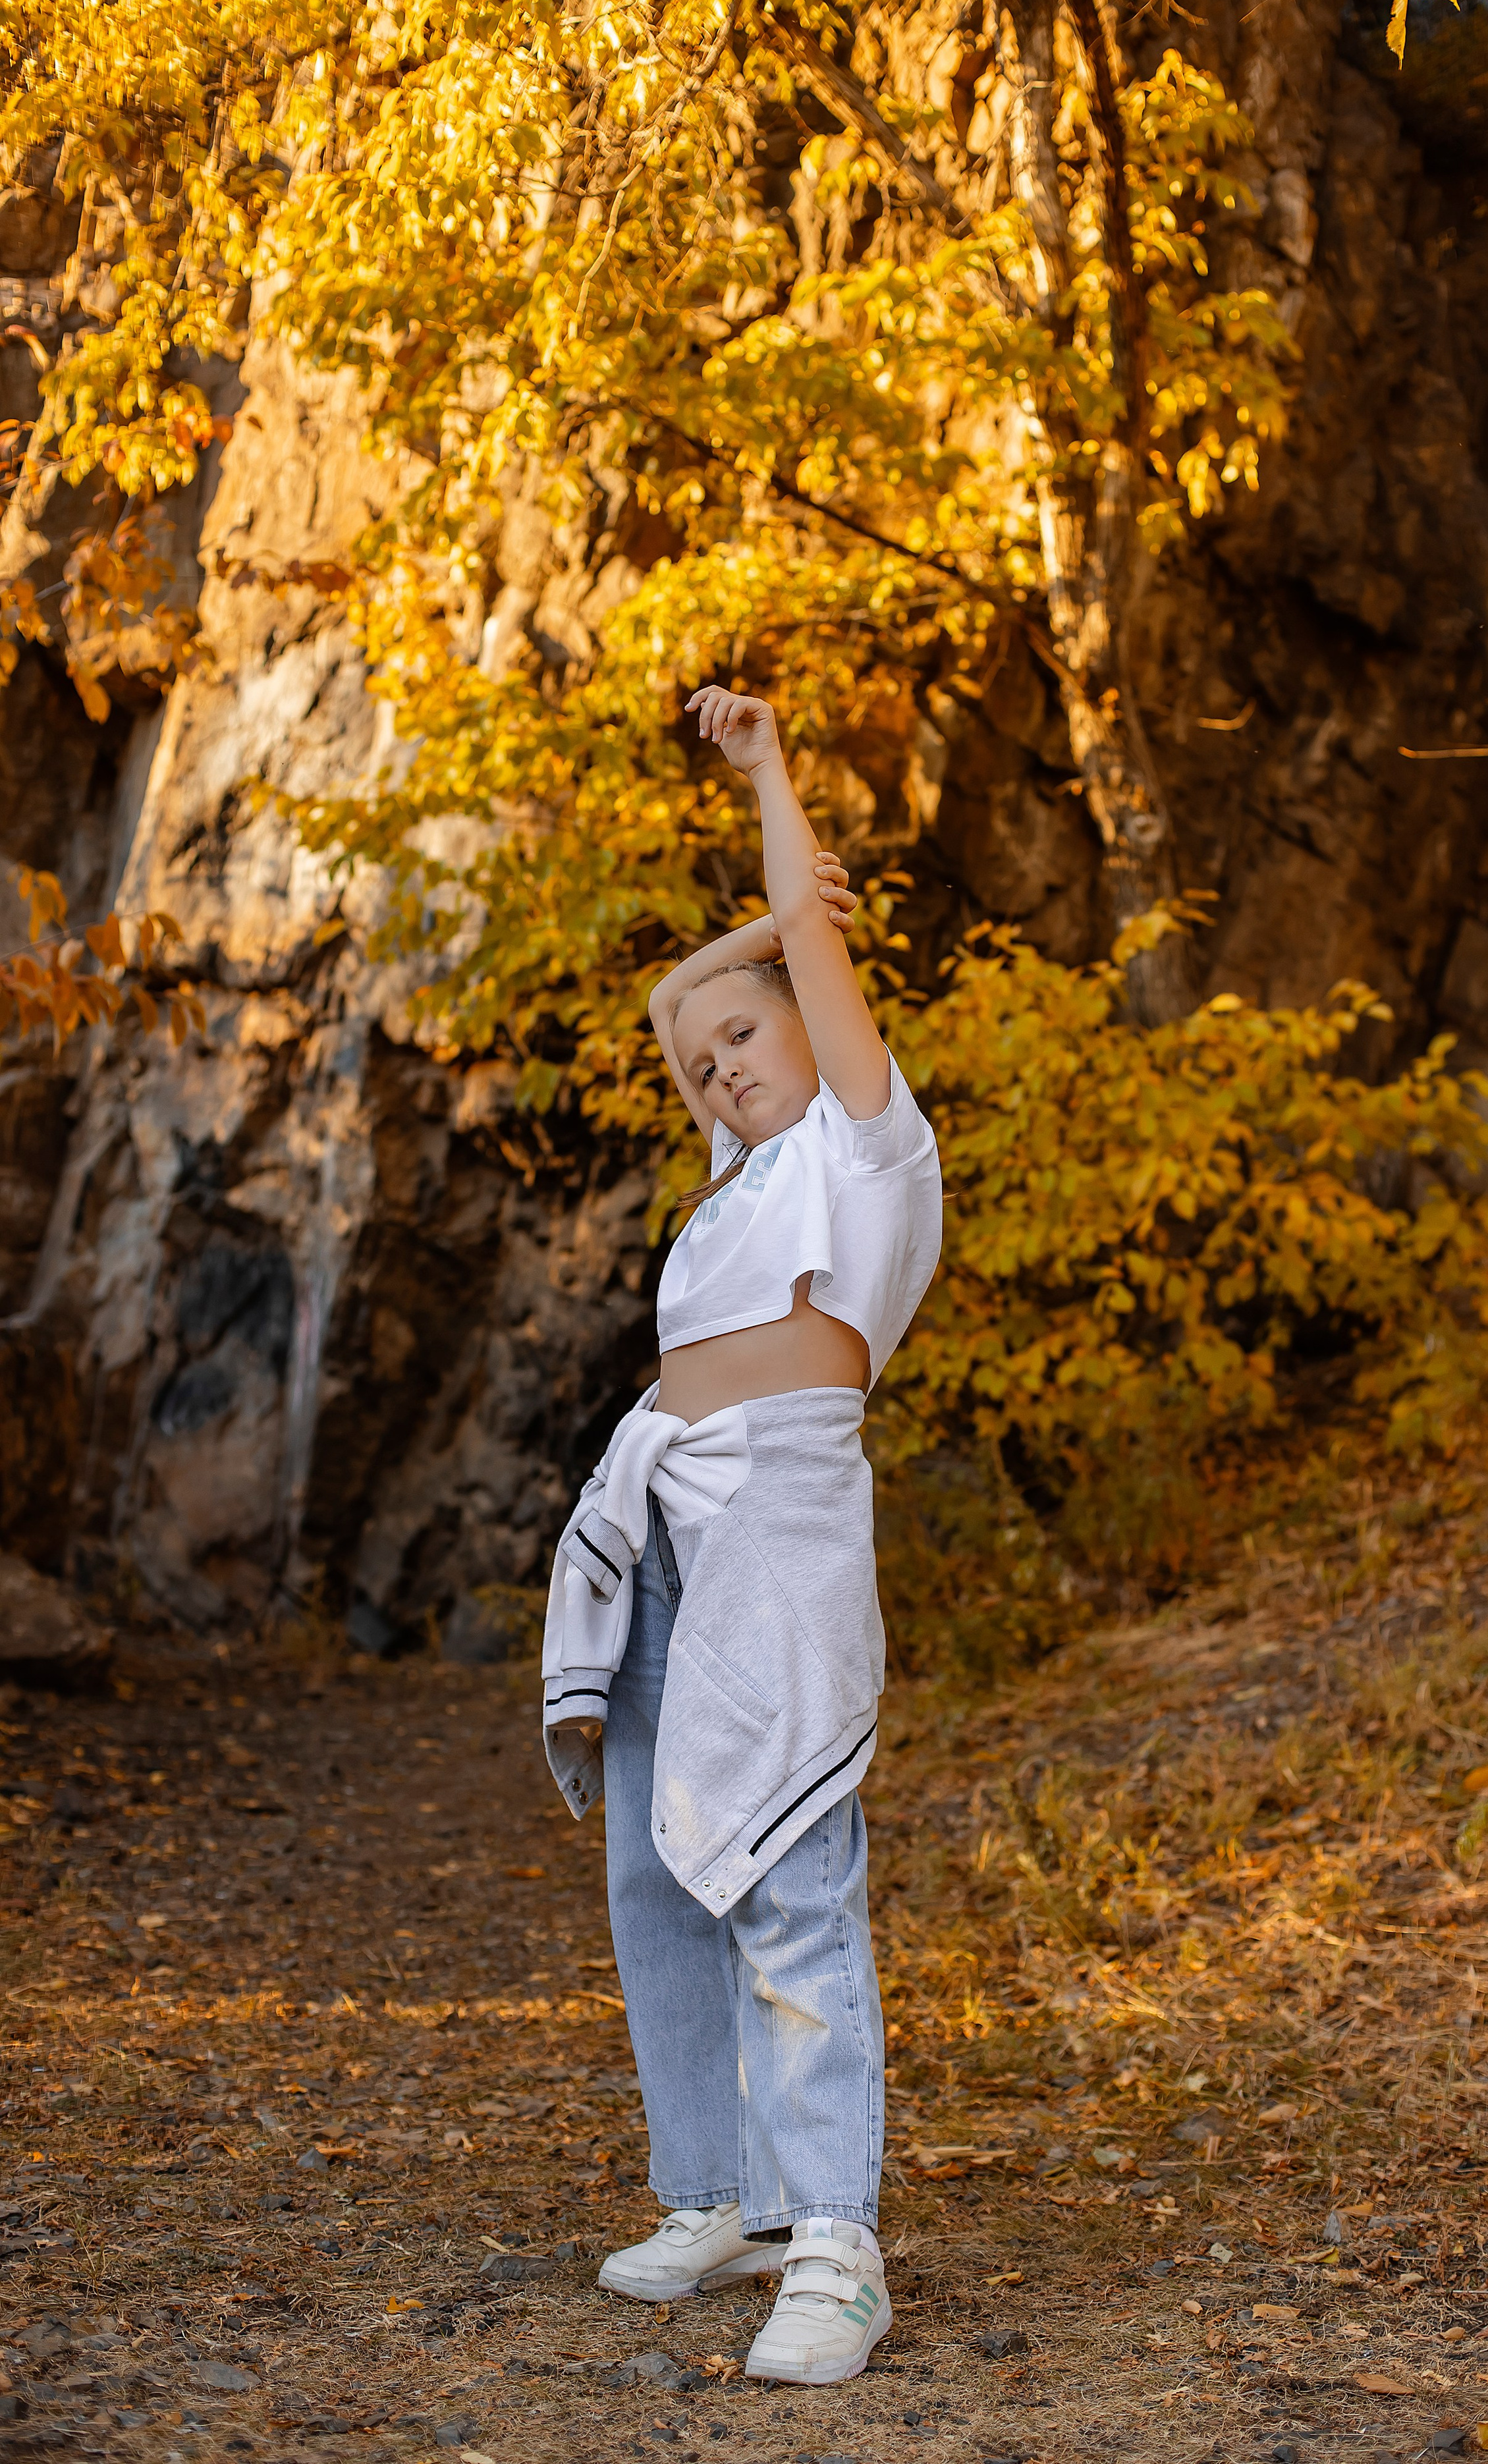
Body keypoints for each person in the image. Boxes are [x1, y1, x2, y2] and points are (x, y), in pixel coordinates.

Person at [539, 688, 942, 2386]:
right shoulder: (731, 1183)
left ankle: (834, 2246)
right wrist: (715, 980)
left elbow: (796, 971)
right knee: (655, 1868)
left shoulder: (866, 1149)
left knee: (784, 1877)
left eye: (749, 1038)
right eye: (704, 1064)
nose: (719, 1063)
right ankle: (716, 2193)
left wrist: (773, 792)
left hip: (775, 1512)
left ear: (817, 1026)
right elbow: (679, 1004)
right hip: (661, 1523)